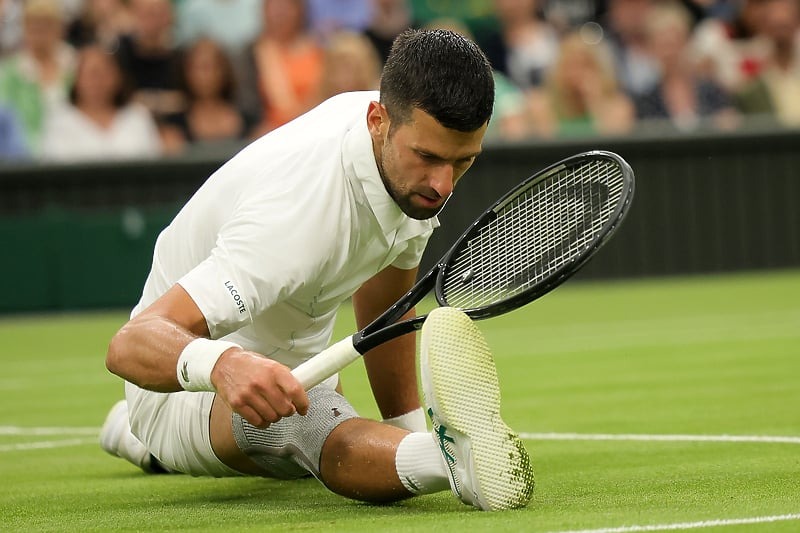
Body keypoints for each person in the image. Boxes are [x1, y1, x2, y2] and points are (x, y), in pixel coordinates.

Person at [99, 28, 535, 511]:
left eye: (463, 162)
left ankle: (134, 441)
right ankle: (451, 465)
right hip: (179, 391)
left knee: (317, 422)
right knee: (303, 423)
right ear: (378, 120)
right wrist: (225, 364)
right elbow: (129, 344)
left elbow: (386, 307)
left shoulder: (408, 149)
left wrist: (403, 428)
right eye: (428, 158)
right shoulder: (293, 213)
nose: (442, 184)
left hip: (294, 364)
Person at [39, 44, 161, 162]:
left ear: (119, 77)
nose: (98, 81)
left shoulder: (138, 116)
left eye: (106, 73)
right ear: (76, 78)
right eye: (92, 73)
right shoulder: (59, 119)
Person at [634, 1, 739, 132]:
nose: (670, 51)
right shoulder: (646, 101)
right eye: (663, 45)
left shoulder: (712, 91)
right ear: (651, 48)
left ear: (687, 41)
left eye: (674, 42)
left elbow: (731, 125)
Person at [0, 0, 76, 156]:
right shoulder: (9, 73)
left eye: (46, 24)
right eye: (33, 25)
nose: (39, 31)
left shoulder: (76, 64)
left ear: (59, 28)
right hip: (25, 156)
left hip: (74, 149)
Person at [526, 30, 636, 138]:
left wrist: (595, 103)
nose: (577, 74)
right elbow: (545, 146)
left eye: (585, 66)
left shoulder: (619, 105)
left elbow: (614, 146)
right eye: (570, 66)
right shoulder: (540, 103)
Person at [160, 37, 255, 154]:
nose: (205, 76)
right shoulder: (174, 127)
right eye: (198, 68)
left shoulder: (250, 122)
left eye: (212, 67)